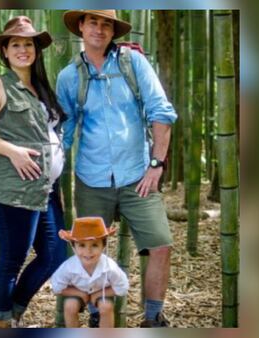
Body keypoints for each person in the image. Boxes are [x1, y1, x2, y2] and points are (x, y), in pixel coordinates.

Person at [56, 10, 178, 327]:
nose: (99, 29)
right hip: (91, 178)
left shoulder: (133, 63)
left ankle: (153, 319)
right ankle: (99, 316)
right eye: (93, 22)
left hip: (137, 175)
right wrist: (46, 173)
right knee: (88, 251)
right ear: (80, 26)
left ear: (113, 31)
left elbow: (161, 112)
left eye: (106, 23)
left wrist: (156, 164)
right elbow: (64, 133)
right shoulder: (69, 76)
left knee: (160, 244)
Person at [0, 16, 67, 328]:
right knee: (11, 259)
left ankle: (12, 313)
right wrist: (13, 151)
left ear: (36, 50)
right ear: (5, 52)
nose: (23, 49)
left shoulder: (40, 88)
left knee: (55, 255)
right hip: (13, 188)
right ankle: (2, 321)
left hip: (44, 190)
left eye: (28, 44)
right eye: (16, 45)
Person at [50, 217, 129, 328]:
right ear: (73, 247)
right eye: (82, 245)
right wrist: (80, 294)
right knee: (70, 306)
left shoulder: (109, 267)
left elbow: (122, 287)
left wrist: (96, 294)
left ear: (103, 246)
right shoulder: (68, 267)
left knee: (106, 307)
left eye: (95, 245)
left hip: (102, 292)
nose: (88, 251)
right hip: (77, 291)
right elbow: (57, 287)